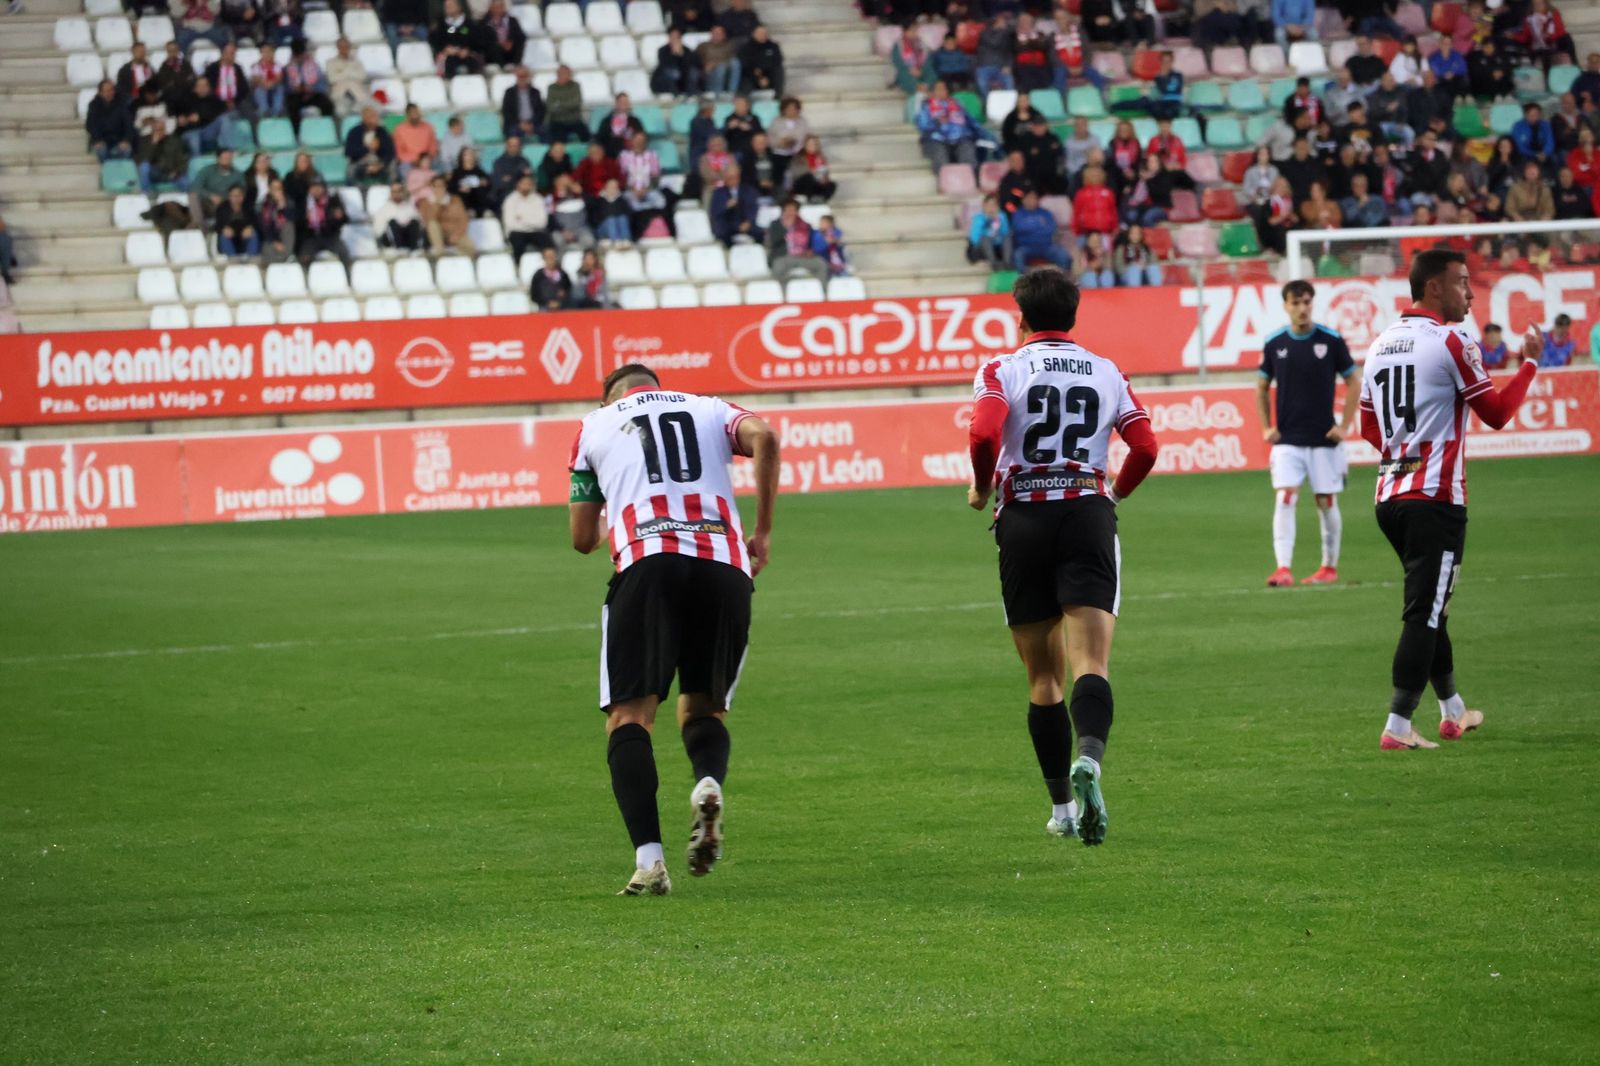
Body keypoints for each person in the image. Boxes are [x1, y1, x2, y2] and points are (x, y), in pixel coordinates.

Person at [568, 357, 779, 896]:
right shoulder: (709, 408)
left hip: (650, 561)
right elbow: (766, 436)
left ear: (609, 398)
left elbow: (581, 535)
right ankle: (707, 783)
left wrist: (604, 529)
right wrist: (761, 532)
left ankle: (650, 863)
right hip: (724, 565)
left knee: (629, 717)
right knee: (704, 707)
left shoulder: (594, 426)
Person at [965, 268, 1160, 846]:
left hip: (1023, 514)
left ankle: (1062, 811)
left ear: (1019, 316)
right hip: (1086, 513)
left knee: (1042, 676)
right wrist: (1115, 493)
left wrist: (981, 488)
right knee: (1091, 663)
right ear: (1073, 316)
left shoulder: (1001, 369)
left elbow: (982, 435)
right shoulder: (1107, 372)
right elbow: (1145, 445)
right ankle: (1092, 761)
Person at [1358, 249, 1539, 751]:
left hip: (1389, 498)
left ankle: (1453, 709)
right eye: (1462, 282)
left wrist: (1406, 455)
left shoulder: (1379, 345)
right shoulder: (1453, 341)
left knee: (1432, 606)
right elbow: (1498, 413)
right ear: (1434, 288)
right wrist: (1528, 364)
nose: (1471, 292)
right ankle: (1397, 725)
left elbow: (1369, 428)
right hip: (1435, 499)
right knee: (1424, 612)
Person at [1255, 281, 1359, 588]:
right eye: (1295, 303)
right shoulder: (1275, 343)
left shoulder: (1332, 340)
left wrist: (1344, 426)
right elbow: (1261, 387)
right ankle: (1283, 568)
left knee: (1326, 502)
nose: (1302, 308)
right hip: (1288, 439)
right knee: (1285, 498)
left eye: (1306, 302)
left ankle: (1329, 567)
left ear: (1312, 304)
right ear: (1285, 306)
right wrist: (1266, 427)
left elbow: (1354, 381)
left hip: (1324, 439)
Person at [916, 81, 978, 170]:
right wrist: (937, 122)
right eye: (939, 89)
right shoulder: (926, 106)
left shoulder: (957, 104)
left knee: (968, 154)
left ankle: (969, 181)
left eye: (944, 89)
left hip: (960, 138)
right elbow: (923, 125)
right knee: (941, 159)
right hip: (936, 139)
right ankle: (944, 181)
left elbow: (970, 121)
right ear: (932, 93)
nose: (942, 92)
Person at [764, 198, 827, 283]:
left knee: (821, 264)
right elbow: (773, 242)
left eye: (793, 210)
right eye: (788, 210)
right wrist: (786, 230)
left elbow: (810, 244)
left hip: (802, 257)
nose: (791, 212)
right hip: (783, 257)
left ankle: (821, 291)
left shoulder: (806, 225)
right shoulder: (775, 224)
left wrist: (810, 251)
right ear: (783, 211)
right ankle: (780, 293)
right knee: (778, 268)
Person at [296, 179, 351, 270]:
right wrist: (305, 219)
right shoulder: (304, 203)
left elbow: (346, 219)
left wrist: (340, 216)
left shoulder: (333, 200)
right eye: (313, 187)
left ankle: (348, 277)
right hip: (311, 237)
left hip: (330, 236)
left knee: (343, 251)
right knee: (304, 256)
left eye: (319, 187)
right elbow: (298, 223)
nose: (316, 190)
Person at [1011, 189, 1070, 271]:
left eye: (1034, 198)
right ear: (1023, 200)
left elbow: (1050, 229)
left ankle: (1062, 281)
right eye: (1029, 198)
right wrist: (1039, 224)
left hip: (1046, 246)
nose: (1032, 200)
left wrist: (1029, 226)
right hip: (1025, 247)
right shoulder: (1018, 214)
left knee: (1064, 257)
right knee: (1017, 256)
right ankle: (1024, 281)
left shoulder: (1045, 213)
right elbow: (1019, 228)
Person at [283, 42, 334, 130]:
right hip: (296, 95)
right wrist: (295, 89)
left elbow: (322, 85)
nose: (300, 57)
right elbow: (286, 87)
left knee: (327, 104)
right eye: (297, 55)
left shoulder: (314, 66)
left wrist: (312, 88)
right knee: (292, 106)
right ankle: (297, 132)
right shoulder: (287, 68)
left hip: (313, 93)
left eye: (301, 54)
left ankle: (326, 128)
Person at [421, 174, 475, 256]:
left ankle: (454, 255)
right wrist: (438, 204)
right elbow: (428, 219)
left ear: (445, 186)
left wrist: (457, 235)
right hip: (438, 233)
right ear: (432, 187)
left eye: (441, 186)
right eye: (436, 186)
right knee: (432, 224)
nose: (439, 188)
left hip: (454, 232)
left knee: (471, 247)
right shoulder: (426, 202)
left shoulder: (456, 200)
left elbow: (463, 219)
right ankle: (440, 252)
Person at [502, 172, 551, 261]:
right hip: (517, 233)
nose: (527, 186)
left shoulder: (538, 199)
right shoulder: (510, 200)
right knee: (517, 243)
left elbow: (542, 223)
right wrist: (532, 222)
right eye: (524, 183)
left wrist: (522, 220)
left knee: (548, 243)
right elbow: (511, 224)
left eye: (529, 184)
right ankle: (518, 267)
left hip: (536, 232)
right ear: (518, 184)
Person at [344, 107, 396, 187]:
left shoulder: (382, 132)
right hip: (360, 162)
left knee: (392, 165)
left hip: (379, 162)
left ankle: (391, 190)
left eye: (376, 116)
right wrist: (368, 148)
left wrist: (380, 165)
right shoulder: (355, 132)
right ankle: (357, 192)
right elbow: (349, 152)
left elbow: (390, 153)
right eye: (372, 117)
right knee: (350, 170)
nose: (375, 119)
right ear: (364, 118)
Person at [431, 0, 484, 77]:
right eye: (446, 7)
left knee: (472, 62)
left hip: (467, 55)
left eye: (451, 6)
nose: (448, 8)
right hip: (449, 56)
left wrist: (468, 50)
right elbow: (436, 42)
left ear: (459, 7)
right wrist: (445, 49)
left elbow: (477, 42)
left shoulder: (469, 24)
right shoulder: (441, 25)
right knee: (449, 61)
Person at [709, 162, 759, 245]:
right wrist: (726, 206)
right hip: (728, 226)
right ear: (725, 178)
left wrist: (748, 222)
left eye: (735, 177)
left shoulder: (748, 190)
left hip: (747, 224)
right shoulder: (718, 193)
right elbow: (714, 212)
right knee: (722, 232)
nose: (733, 180)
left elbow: (753, 208)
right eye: (730, 178)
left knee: (759, 232)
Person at [136, 118, 189, 194]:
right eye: (155, 130)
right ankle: (146, 195)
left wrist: (177, 172)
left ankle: (188, 203)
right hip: (156, 173)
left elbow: (182, 160)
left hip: (172, 173)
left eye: (160, 130)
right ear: (152, 131)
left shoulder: (174, 141)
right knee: (144, 166)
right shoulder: (145, 141)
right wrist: (153, 144)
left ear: (164, 130)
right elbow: (143, 160)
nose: (158, 132)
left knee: (185, 182)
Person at [86, 80, 136, 162]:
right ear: (101, 93)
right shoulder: (94, 105)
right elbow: (90, 125)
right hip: (102, 140)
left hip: (119, 139)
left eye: (112, 89)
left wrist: (126, 140)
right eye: (107, 91)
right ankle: (108, 173)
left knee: (127, 150)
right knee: (102, 151)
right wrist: (97, 140)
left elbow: (128, 124)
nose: (111, 92)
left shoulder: (121, 103)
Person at [373, 181, 424, 253]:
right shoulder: (383, 210)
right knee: (392, 222)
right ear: (390, 193)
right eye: (394, 191)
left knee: (414, 221)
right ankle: (399, 250)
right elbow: (379, 231)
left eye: (399, 191)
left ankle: (414, 250)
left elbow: (420, 225)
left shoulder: (410, 207)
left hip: (409, 239)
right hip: (393, 242)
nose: (396, 194)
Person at [651, 29, 704, 97]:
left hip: (683, 79)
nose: (675, 39)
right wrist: (674, 54)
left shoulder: (687, 50)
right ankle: (676, 96)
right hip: (665, 81)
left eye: (677, 37)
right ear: (669, 38)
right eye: (672, 37)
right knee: (673, 73)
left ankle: (691, 96)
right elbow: (665, 65)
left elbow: (693, 64)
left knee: (693, 73)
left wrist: (681, 54)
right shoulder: (663, 50)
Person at [544, 66, 589, 145]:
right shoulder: (551, 88)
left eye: (566, 74)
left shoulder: (575, 86)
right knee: (556, 140)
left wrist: (559, 104)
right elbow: (550, 106)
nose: (564, 76)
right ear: (557, 75)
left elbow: (576, 103)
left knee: (587, 137)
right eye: (561, 74)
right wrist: (568, 105)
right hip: (557, 121)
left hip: (574, 120)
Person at [973, 14, 1016, 96]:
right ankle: (987, 105)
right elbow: (994, 42)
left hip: (1001, 67)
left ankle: (1010, 106)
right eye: (1002, 22)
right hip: (984, 66)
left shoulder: (1006, 35)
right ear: (996, 23)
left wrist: (1008, 65)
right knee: (982, 85)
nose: (1005, 24)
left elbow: (1009, 52)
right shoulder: (984, 33)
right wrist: (1003, 30)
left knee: (1010, 82)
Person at [325, 37, 368, 116]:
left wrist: (342, 73)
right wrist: (350, 73)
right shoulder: (331, 62)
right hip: (340, 95)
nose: (344, 49)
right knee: (341, 111)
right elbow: (332, 79)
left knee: (366, 109)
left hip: (358, 95)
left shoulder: (357, 62)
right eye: (341, 47)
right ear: (338, 48)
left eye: (346, 46)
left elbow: (362, 76)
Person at [393, 105, 439, 177]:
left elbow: (433, 146)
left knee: (439, 165)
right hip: (409, 161)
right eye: (412, 113)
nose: (415, 116)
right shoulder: (400, 129)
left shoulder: (428, 127)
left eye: (417, 113)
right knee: (404, 168)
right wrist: (414, 159)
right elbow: (399, 151)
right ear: (407, 115)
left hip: (427, 159)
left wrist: (427, 158)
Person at [257, 177, 296, 262]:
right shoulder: (263, 205)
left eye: (279, 188)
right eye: (274, 188)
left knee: (288, 225)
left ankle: (286, 257)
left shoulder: (289, 202)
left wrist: (283, 208)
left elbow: (293, 221)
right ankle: (283, 259)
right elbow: (263, 228)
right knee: (268, 249)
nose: (276, 191)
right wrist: (274, 242)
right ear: (269, 189)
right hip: (270, 240)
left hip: (285, 239)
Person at [214, 184, 259, 258]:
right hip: (229, 239)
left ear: (243, 196)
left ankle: (251, 262)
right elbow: (217, 226)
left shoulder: (248, 207)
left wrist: (251, 227)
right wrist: (224, 229)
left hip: (244, 239)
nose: (236, 198)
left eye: (239, 195)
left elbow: (257, 223)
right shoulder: (222, 208)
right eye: (233, 196)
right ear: (229, 197)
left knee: (253, 233)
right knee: (224, 235)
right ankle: (233, 263)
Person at [502, 66, 545, 142]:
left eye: (524, 76)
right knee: (512, 132)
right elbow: (506, 112)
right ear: (516, 77)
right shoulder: (509, 92)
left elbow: (540, 111)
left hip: (533, 123)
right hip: (516, 123)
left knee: (546, 130)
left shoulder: (535, 92)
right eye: (520, 76)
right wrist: (520, 124)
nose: (522, 78)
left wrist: (531, 124)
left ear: (528, 77)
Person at [739, 24, 784, 95]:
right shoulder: (746, 48)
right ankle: (743, 103)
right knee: (745, 82)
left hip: (769, 75)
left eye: (765, 33)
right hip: (752, 76)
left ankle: (778, 100)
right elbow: (745, 65)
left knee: (779, 70)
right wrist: (758, 78)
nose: (763, 35)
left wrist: (762, 71)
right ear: (753, 34)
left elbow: (777, 61)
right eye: (760, 33)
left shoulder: (773, 46)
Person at [596, 93, 645, 158]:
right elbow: (600, 140)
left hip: (632, 156)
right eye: (622, 102)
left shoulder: (635, 121)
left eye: (627, 102)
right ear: (616, 104)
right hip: (611, 155)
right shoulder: (606, 121)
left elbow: (642, 137)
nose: (625, 104)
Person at [697, 24, 742, 95]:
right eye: (715, 33)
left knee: (733, 63)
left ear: (724, 35)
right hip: (708, 73)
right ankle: (717, 94)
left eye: (720, 33)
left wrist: (715, 63)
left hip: (724, 71)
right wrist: (704, 65)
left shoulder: (728, 46)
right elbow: (696, 59)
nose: (717, 35)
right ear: (711, 34)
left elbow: (731, 60)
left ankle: (732, 93)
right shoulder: (703, 46)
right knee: (721, 68)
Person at [480, 0, 525, 68]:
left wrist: (510, 41)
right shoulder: (484, 23)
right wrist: (498, 43)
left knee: (519, 42)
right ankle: (499, 66)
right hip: (493, 54)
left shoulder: (512, 20)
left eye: (500, 6)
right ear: (490, 8)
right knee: (493, 47)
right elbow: (482, 39)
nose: (498, 9)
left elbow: (521, 36)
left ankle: (514, 65)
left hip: (511, 51)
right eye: (495, 7)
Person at [449, 146, 493, 217]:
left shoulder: (479, 171)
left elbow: (489, 184)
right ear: (462, 157)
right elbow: (451, 188)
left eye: (471, 154)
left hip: (479, 204)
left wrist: (485, 183)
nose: (469, 157)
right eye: (467, 154)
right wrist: (460, 189)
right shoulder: (457, 172)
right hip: (465, 204)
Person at [249, 43, 285, 116]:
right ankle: (264, 110)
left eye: (269, 52)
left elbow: (279, 77)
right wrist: (264, 83)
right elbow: (255, 78)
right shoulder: (256, 66)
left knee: (280, 88)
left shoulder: (277, 65)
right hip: (262, 88)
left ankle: (277, 110)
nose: (267, 54)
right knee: (259, 89)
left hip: (273, 87)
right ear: (261, 54)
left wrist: (272, 83)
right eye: (264, 52)